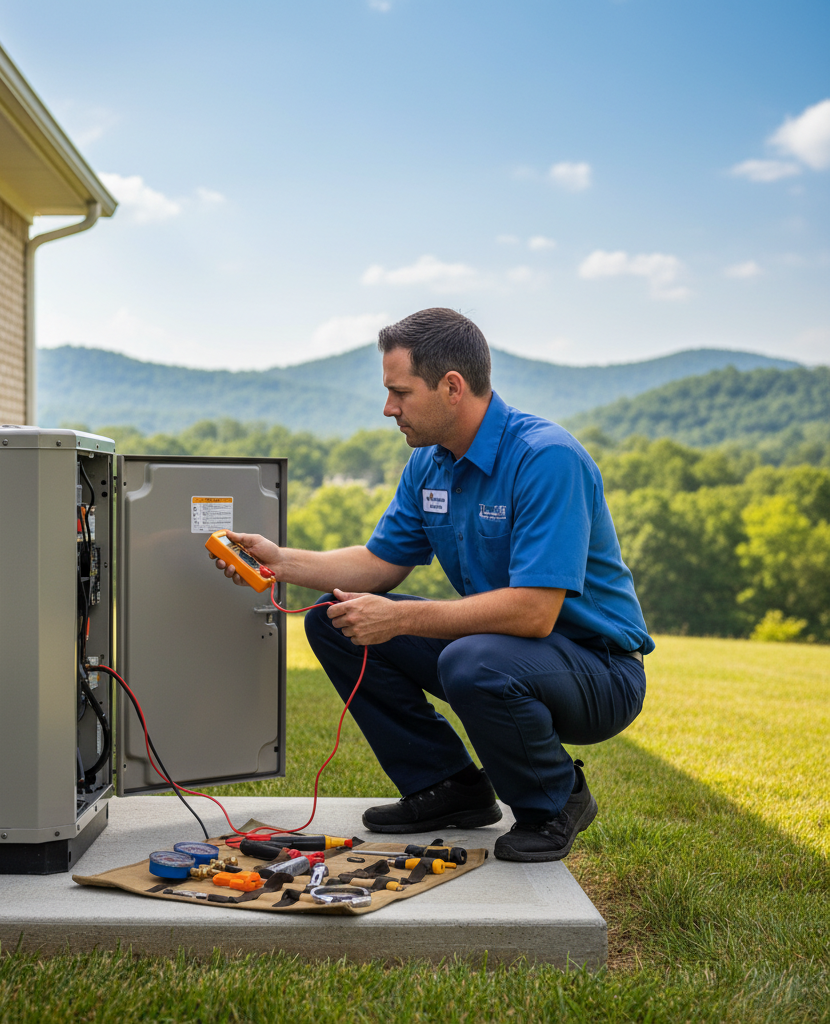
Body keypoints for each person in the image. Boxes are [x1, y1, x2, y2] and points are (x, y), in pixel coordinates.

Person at [213, 308, 652, 862]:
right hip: (504, 651)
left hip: (599, 672)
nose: (388, 408)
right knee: (333, 619)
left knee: (472, 661)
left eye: (400, 392)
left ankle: (556, 799)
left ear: (452, 387)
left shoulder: (546, 459)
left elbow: (534, 613)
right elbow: (379, 563)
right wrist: (281, 562)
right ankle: (448, 787)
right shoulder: (430, 465)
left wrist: (399, 618)